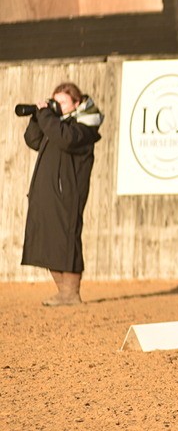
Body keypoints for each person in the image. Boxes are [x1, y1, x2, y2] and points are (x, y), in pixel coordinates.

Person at [22, 82, 104, 306]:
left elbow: (64, 138)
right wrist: (37, 118)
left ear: (77, 103)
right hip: (47, 193)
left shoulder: (84, 126)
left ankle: (72, 293)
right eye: (55, 101)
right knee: (48, 241)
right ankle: (63, 292)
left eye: (63, 102)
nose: (57, 106)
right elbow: (33, 140)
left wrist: (46, 114)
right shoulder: (56, 123)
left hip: (67, 194)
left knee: (66, 240)